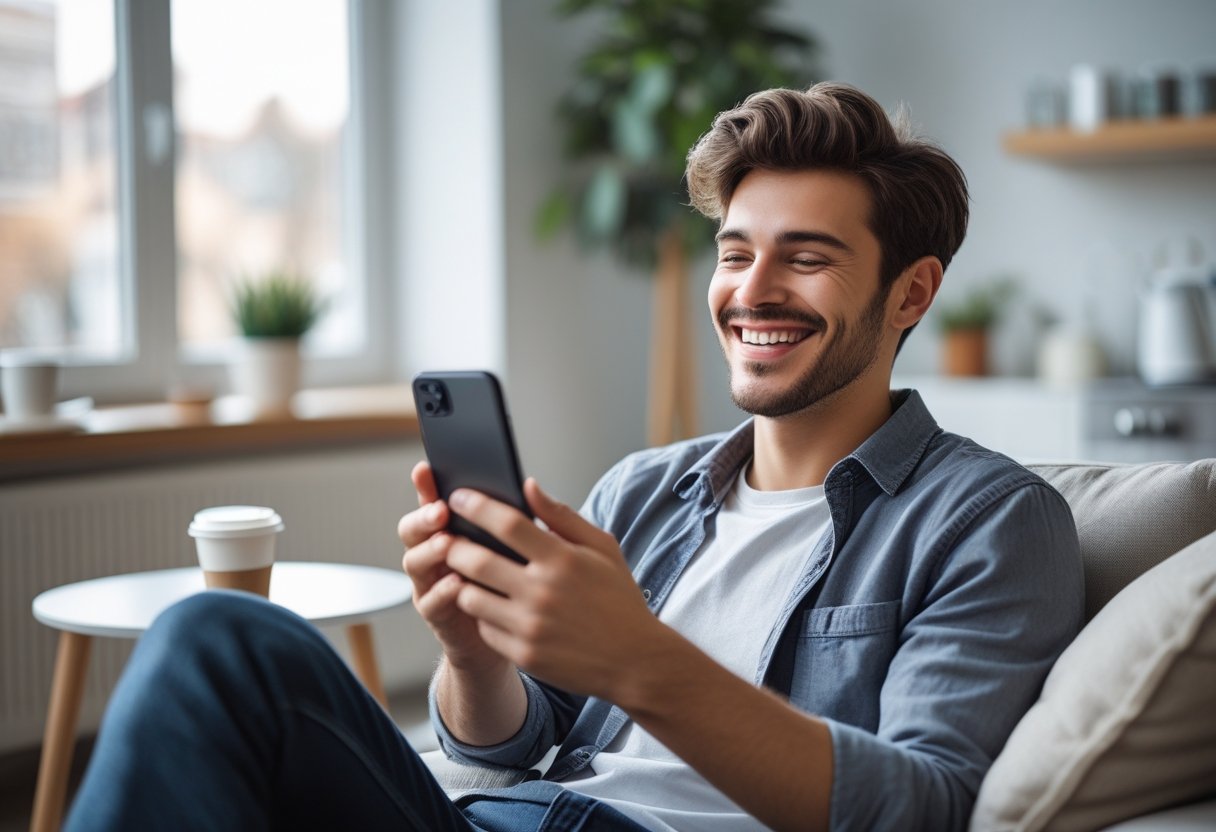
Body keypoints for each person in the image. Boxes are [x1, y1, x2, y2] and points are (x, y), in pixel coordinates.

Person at [65, 82, 1083, 832]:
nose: (752, 289)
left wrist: (638, 660)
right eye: (733, 252)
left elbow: (926, 805)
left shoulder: (988, 517)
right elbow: (510, 738)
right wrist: (471, 650)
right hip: (513, 820)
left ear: (911, 293)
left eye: (806, 258)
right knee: (222, 637)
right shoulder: (646, 488)